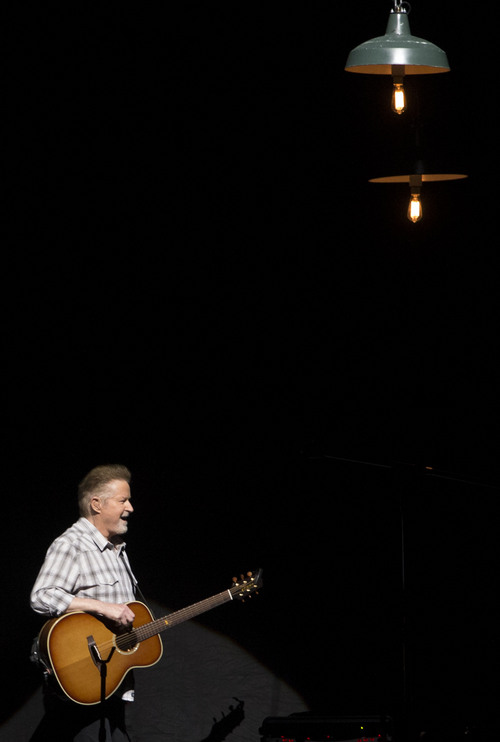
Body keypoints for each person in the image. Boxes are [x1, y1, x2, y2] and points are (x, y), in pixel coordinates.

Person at [29, 464, 139, 741]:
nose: (131, 508)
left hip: (113, 679)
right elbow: (41, 596)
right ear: (96, 504)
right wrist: (102, 607)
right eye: (122, 500)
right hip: (83, 680)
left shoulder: (117, 550)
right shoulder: (72, 544)